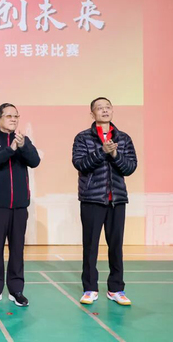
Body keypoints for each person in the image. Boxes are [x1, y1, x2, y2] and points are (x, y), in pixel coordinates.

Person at [72, 97, 137, 306]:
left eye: (108, 107)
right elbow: (80, 164)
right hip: (92, 198)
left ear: (112, 111)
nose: (105, 110)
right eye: (100, 108)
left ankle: (116, 289)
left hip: (117, 200)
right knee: (90, 246)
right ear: (92, 114)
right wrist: (102, 152)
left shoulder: (124, 138)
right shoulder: (83, 138)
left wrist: (115, 153)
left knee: (116, 246)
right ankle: (90, 288)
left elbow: (130, 167)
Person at [0, 103, 40, 307]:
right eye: (9, 116)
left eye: (16, 116)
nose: (13, 119)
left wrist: (22, 147)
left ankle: (16, 290)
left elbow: (35, 161)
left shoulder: (24, 141)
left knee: (17, 249)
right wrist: (10, 149)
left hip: (20, 206)